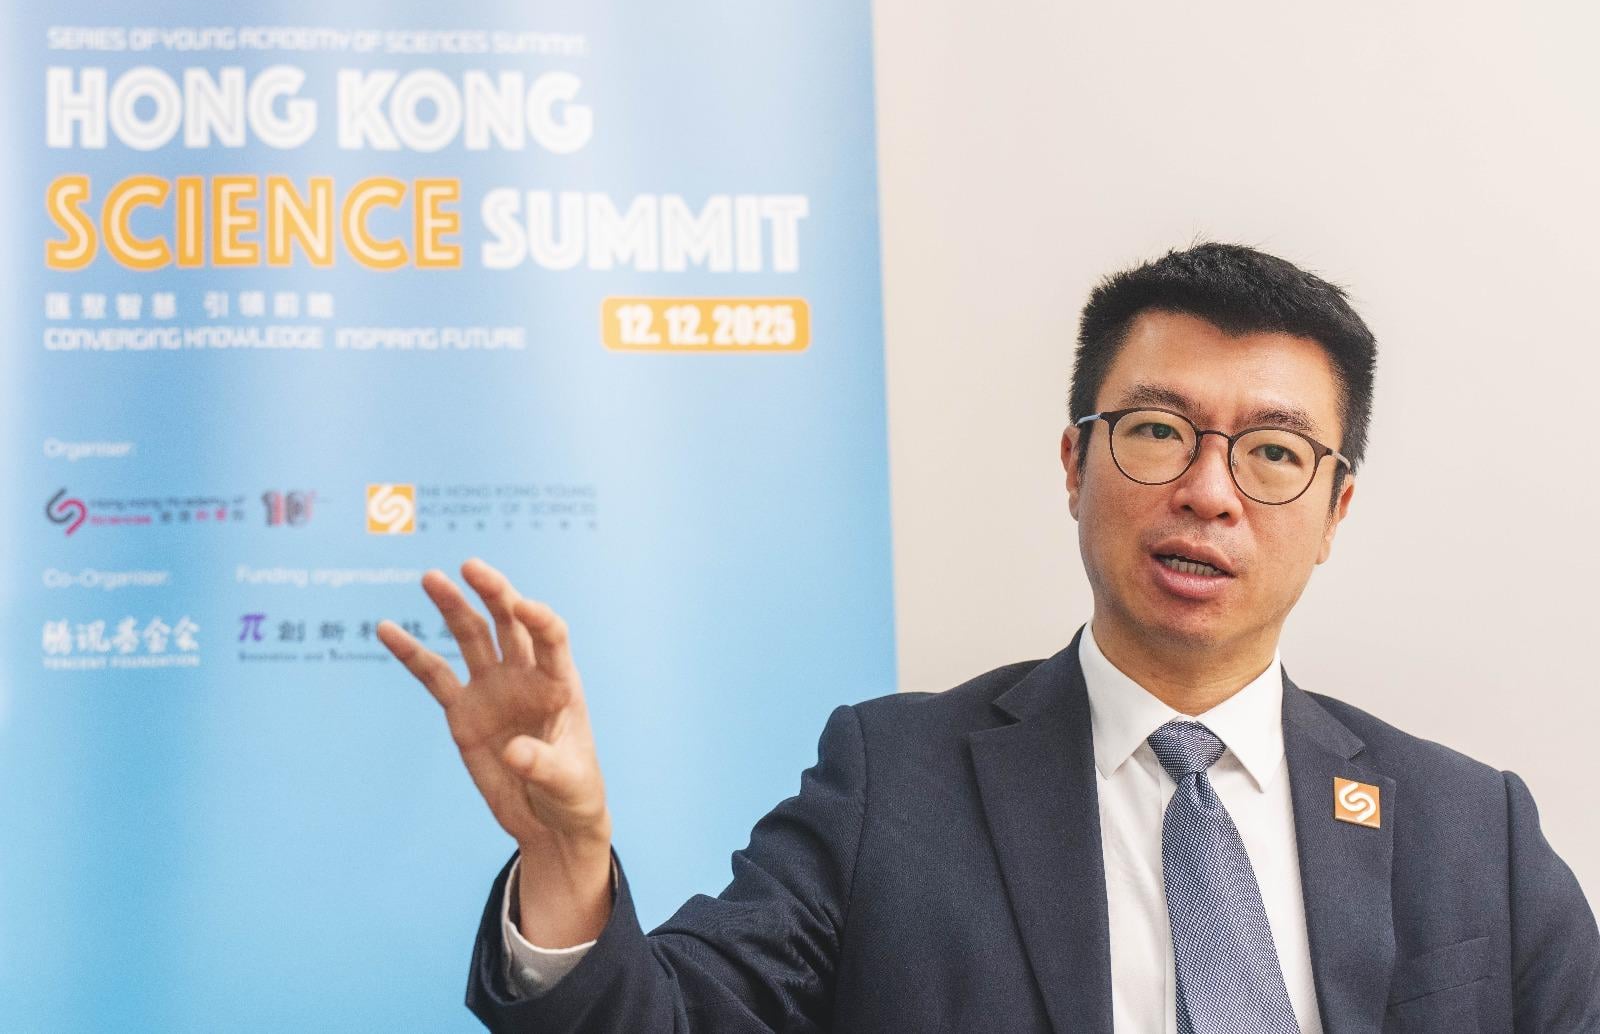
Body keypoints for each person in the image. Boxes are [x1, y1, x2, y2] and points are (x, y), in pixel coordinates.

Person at [378, 243, 1600, 1032]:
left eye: (1273, 452)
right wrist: (569, 863)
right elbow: (677, 1017)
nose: (1207, 492)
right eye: (1158, 431)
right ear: (1073, 463)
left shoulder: (1471, 830)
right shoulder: (892, 785)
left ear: (1333, 511)